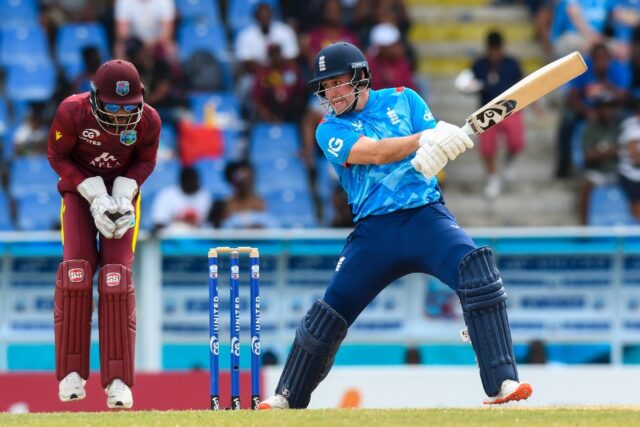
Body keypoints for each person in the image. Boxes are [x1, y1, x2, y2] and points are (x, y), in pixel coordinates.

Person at [257, 42, 532, 410]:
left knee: (478, 271)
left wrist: (440, 147)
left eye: (337, 82)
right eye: (325, 86)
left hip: (426, 218)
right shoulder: (329, 129)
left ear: (360, 77)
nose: (330, 93)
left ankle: (502, 382)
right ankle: (287, 397)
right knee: (330, 310)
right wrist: (424, 140)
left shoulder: (406, 99)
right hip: (375, 233)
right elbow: (376, 152)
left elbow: (436, 149)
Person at [47, 59, 161, 409]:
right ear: (95, 98)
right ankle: (71, 373)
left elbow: (146, 160)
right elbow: (56, 154)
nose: (120, 116)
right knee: (77, 271)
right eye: (112, 107)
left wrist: (125, 191)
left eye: (128, 108)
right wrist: (90, 190)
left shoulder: (150, 120)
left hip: (122, 199)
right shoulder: (71, 111)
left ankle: (118, 382)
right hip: (80, 193)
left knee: (115, 277)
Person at [470, 30, 525, 199]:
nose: (494, 53)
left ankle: (509, 162)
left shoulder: (512, 63)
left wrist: (536, 106)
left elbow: (523, 84)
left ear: (502, 48)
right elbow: (469, 83)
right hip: (486, 109)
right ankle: (493, 178)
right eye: (491, 49)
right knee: (487, 148)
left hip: (510, 107)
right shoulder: (479, 64)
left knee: (516, 142)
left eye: (497, 49)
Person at [150, 166, 212, 232]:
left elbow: (208, 224)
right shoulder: (166, 195)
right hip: (173, 238)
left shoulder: (205, 195)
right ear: (182, 182)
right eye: (189, 182)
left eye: (195, 182)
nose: (192, 184)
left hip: (199, 238)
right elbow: (159, 223)